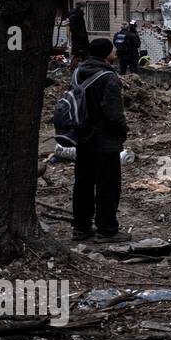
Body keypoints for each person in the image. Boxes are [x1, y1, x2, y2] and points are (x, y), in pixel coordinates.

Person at [71, 38, 130, 243]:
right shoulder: (108, 77)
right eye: (113, 50)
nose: (115, 52)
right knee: (108, 186)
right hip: (105, 141)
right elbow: (114, 113)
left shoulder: (78, 73)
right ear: (106, 54)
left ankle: (81, 227)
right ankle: (107, 229)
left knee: (83, 183)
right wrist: (122, 132)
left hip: (81, 136)